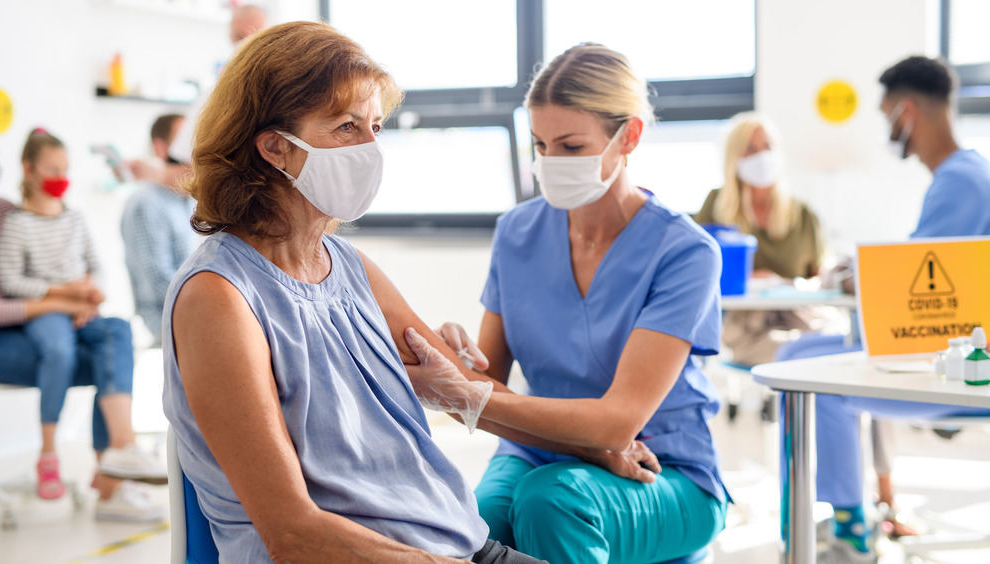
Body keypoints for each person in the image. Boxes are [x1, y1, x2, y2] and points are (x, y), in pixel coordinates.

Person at [163, 21, 644, 562]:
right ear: (275, 147)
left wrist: (591, 448)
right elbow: (292, 533)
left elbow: (467, 387)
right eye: (346, 127)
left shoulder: (347, 267)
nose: (371, 147)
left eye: (375, 126)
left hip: (456, 545)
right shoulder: (220, 297)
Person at [413, 42, 730, 563]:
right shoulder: (517, 232)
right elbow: (488, 379)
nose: (551, 162)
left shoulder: (685, 252)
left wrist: (462, 392)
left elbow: (617, 424)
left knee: (553, 502)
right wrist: (459, 364)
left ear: (627, 136)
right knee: (477, 521)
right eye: (540, 145)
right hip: (535, 447)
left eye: (571, 146)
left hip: (663, 467)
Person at [811, 55, 990, 563]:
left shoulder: (961, 181)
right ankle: (853, 512)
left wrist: (856, 274)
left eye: (887, 113)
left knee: (812, 368)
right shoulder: (967, 176)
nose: (888, 126)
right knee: (820, 355)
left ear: (906, 112)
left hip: (959, 370)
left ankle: (848, 528)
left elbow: (918, 290)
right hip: (957, 357)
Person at [0, 128, 166, 521]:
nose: (60, 177)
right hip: (38, 321)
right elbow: (9, 285)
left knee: (116, 334)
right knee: (63, 351)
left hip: (69, 311)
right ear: (29, 169)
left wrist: (90, 295)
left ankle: (119, 456)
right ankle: (60, 455)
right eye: (52, 169)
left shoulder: (25, 212)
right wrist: (63, 297)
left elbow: (95, 267)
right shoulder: (17, 221)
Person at [693, 112, 826, 367]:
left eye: (768, 146)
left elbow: (820, 280)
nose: (762, 155)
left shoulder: (803, 216)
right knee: (791, 357)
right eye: (750, 148)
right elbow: (698, 269)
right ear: (734, 158)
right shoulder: (717, 206)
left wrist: (782, 283)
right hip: (740, 325)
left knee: (809, 349)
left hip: (795, 318)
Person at [121, 114, 200, 345]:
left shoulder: (189, 200)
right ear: (161, 148)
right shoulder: (146, 204)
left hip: (198, 307)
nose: (192, 147)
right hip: (170, 321)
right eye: (184, 140)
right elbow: (157, 282)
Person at [167, 3, 269, 165]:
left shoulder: (234, 77)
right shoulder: (224, 79)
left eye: (250, 36)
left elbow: (186, 158)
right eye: (241, 37)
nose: (245, 44)